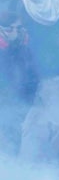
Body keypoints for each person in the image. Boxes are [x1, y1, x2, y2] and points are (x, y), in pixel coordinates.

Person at [0, 11, 38, 157]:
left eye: (19, 28)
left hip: (20, 103)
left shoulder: (25, 50)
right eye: (10, 28)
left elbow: (32, 76)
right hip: (4, 104)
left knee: (15, 141)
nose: (15, 32)